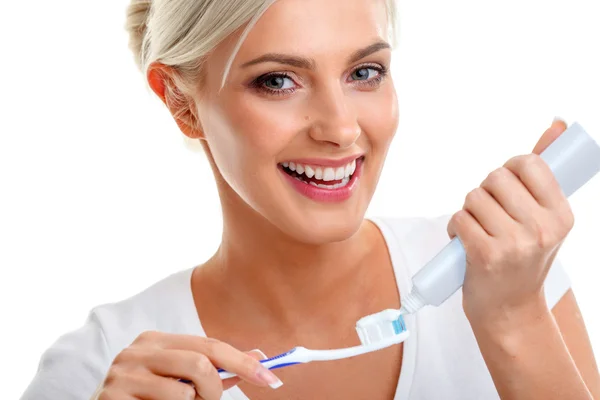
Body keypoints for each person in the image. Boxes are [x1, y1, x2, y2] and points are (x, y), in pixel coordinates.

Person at [21, 0, 600, 399]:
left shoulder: (515, 276)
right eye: (278, 80)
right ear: (180, 101)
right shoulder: (96, 367)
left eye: (365, 72)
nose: (341, 128)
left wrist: (514, 320)